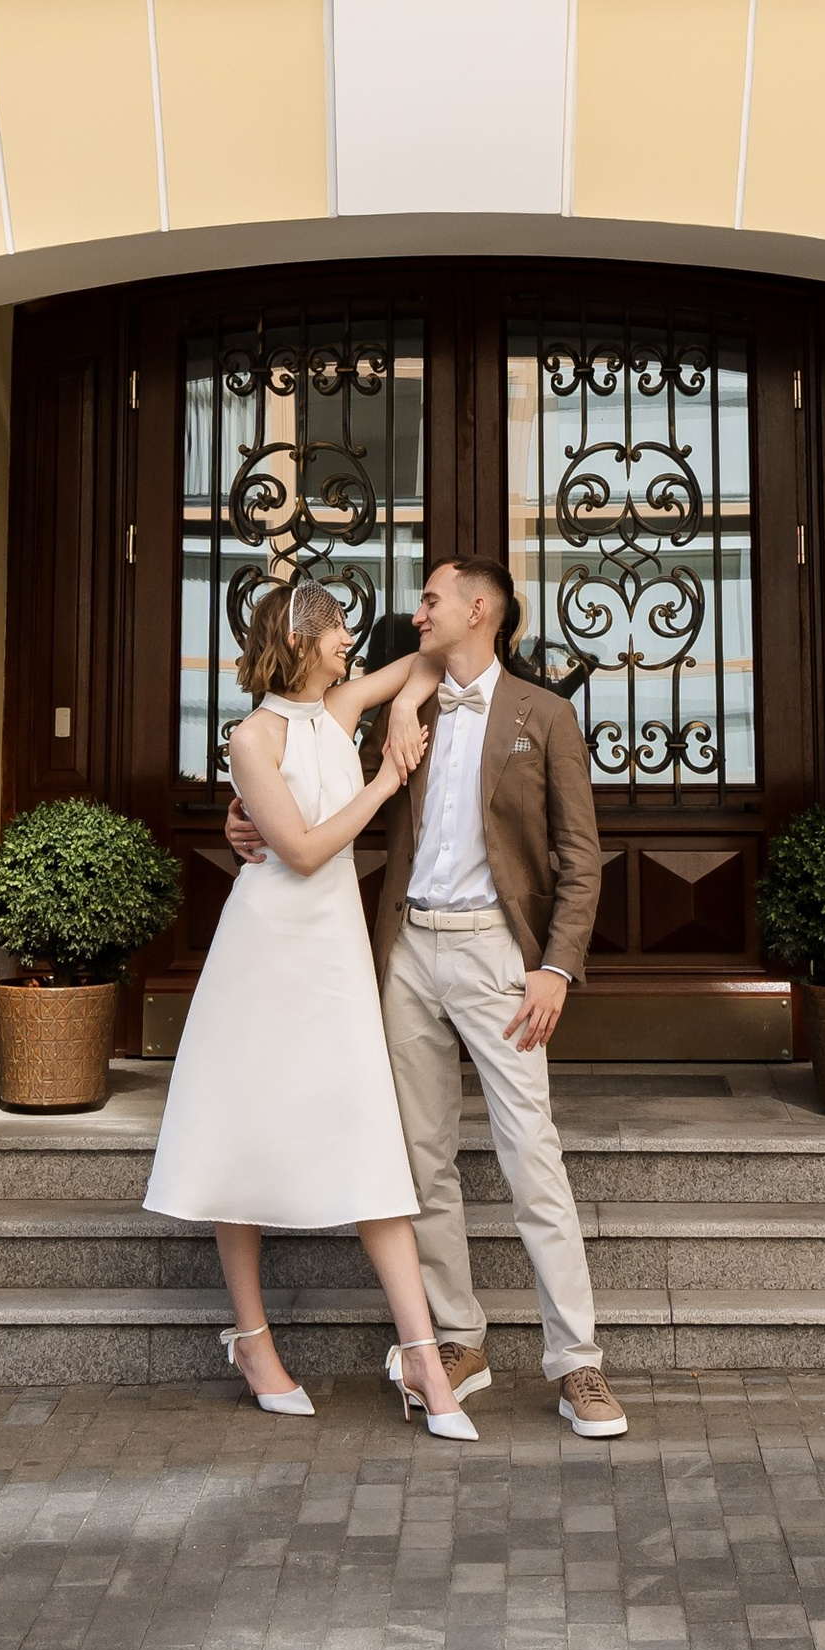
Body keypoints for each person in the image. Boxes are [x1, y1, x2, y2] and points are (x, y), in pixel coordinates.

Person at [230, 555, 630, 1441]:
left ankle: (578, 1365)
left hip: (498, 958)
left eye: (432, 599)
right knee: (421, 1159)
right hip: (405, 950)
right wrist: (242, 817)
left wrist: (554, 968)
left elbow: (579, 855)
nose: (418, 614)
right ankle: (457, 1339)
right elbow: (302, 780)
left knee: (533, 1156)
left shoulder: (545, 715)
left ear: (478, 609)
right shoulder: (398, 709)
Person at [142, 578, 475, 1435]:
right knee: (240, 1139)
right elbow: (298, 849)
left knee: (370, 1140)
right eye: (336, 633)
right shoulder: (251, 736)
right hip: (264, 954)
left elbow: (429, 661)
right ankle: (253, 1341)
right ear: (299, 640)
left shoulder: (344, 709)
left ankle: (426, 1364)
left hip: (332, 960)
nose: (347, 645)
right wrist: (385, 784)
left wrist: (398, 713)